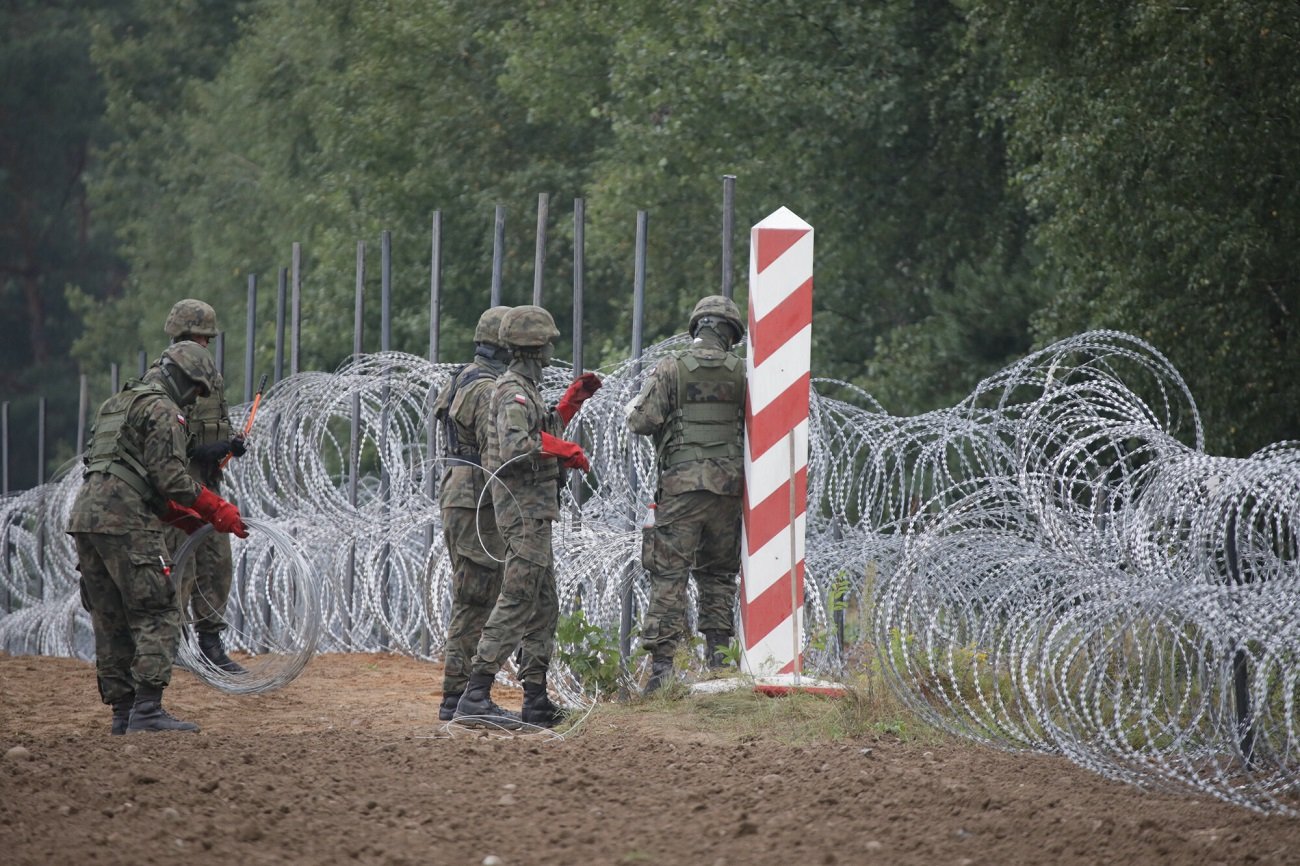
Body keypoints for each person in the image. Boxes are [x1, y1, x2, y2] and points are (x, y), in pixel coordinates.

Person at [69, 340, 250, 734]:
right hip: (124, 519)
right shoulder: (164, 409)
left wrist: (177, 516)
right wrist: (215, 508)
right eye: (195, 391)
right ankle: (148, 711)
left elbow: (127, 470)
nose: (193, 400)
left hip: (86, 516)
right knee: (158, 607)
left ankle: (123, 713)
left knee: (110, 618)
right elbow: (171, 478)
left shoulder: (116, 404)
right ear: (183, 380)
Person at [453, 304, 602, 728]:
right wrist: (566, 450)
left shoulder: (525, 390)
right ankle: (476, 693)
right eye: (547, 346)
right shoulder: (511, 389)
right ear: (533, 348)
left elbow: (542, 425)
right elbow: (519, 444)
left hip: (535, 510)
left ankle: (535, 699)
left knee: (543, 604)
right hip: (522, 510)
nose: (550, 352)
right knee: (518, 598)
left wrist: (572, 402)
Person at [625, 295, 747, 694]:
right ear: (731, 333)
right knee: (718, 576)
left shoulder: (671, 368)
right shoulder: (744, 373)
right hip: (728, 490)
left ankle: (661, 672)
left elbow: (642, 421)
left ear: (698, 327)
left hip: (681, 489)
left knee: (669, 575)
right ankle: (719, 665)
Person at [145, 299, 248, 674]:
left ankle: (210, 642)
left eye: (207, 339)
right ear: (181, 337)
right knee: (180, 564)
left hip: (208, 481)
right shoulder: (163, 380)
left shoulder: (209, 377)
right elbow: (165, 437)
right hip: (178, 483)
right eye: (198, 338)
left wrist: (229, 447)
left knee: (217, 561)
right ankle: (174, 644)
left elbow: (215, 423)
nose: (204, 346)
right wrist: (204, 449)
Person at [432, 305, 513, 721]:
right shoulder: (487, 389)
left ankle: (458, 697)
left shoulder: (460, 379)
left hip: (459, 493)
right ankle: (461, 698)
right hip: (479, 497)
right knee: (477, 598)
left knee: (472, 595)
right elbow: (496, 453)